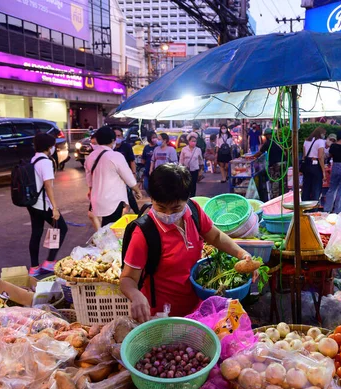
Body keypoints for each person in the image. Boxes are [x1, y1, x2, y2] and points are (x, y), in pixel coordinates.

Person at [120, 164, 254, 321]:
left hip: (196, 308)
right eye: (161, 208)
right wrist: (135, 295)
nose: (168, 214)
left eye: (176, 208)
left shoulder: (194, 211)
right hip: (162, 316)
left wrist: (241, 254)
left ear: (187, 198)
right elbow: (127, 279)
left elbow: (216, 237)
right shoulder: (144, 233)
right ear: (152, 199)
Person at [27, 133, 68, 276]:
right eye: (53, 146)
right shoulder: (46, 162)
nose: (54, 149)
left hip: (32, 203)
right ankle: (50, 261)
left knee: (36, 232)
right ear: (48, 147)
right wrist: (55, 208)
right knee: (61, 228)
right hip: (43, 204)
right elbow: (48, 186)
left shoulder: (34, 159)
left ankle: (34, 268)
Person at [85, 126, 142, 227]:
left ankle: (102, 241)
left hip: (96, 199)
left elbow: (89, 182)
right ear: (112, 140)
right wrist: (137, 191)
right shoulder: (116, 156)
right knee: (111, 230)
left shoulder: (90, 156)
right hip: (113, 201)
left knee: (104, 228)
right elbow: (129, 179)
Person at [113, 127, 140, 214]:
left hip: (125, 176)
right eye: (115, 136)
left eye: (119, 135)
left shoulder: (126, 147)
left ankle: (137, 213)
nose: (117, 138)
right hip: (114, 177)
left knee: (129, 195)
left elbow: (132, 161)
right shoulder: (110, 149)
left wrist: (133, 174)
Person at [257, 128, 285, 199]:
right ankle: (283, 195)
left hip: (275, 164)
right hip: (284, 163)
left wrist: (252, 157)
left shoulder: (268, 143)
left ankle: (276, 197)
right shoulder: (280, 140)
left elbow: (260, 153)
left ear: (268, 135)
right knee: (283, 180)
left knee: (275, 180)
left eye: (266, 135)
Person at [302, 127, 327, 201]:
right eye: (324, 134)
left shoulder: (306, 141)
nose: (324, 135)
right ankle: (314, 208)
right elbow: (320, 156)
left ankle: (304, 207)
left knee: (306, 187)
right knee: (316, 188)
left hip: (307, 164)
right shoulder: (320, 142)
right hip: (316, 166)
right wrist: (323, 171)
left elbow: (304, 155)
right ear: (321, 134)